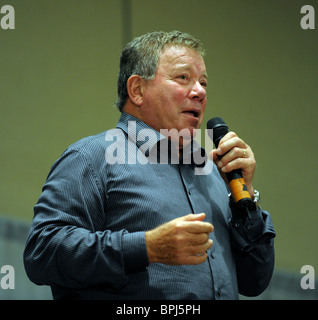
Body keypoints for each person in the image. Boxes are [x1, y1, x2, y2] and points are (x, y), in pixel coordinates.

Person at [23, 30, 275, 300]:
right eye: (183, 78)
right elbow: (42, 252)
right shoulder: (92, 157)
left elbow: (255, 281)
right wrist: (146, 248)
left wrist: (244, 197)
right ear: (137, 90)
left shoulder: (214, 173)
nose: (200, 92)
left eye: (203, 82)